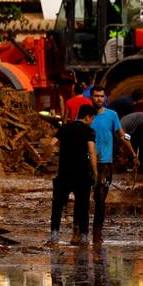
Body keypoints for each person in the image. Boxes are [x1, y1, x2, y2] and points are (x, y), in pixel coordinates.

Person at [91, 87, 138, 242]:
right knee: (83, 197)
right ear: (91, 97)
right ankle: (80, 232)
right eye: (96, 96)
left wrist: (133, 154)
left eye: (101, 96)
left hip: (105, 164)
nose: (99, 99)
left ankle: (97, 233)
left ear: (105, 98)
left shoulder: (112, 115)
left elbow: (122, 135)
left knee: (100, 198)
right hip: (87, 163)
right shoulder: (86, 114)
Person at [48, 103, 98, 246]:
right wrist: (95, 172)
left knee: (57, 206)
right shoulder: (89, 131)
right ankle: (83, 237)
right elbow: (91, 152)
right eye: (92, 119)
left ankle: (54, 236)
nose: (92, 121)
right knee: (83, 206)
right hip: (82, 174)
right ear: (87, 117)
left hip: (64, 173)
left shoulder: (65, 128)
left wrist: (45, 158)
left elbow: (51, 144)